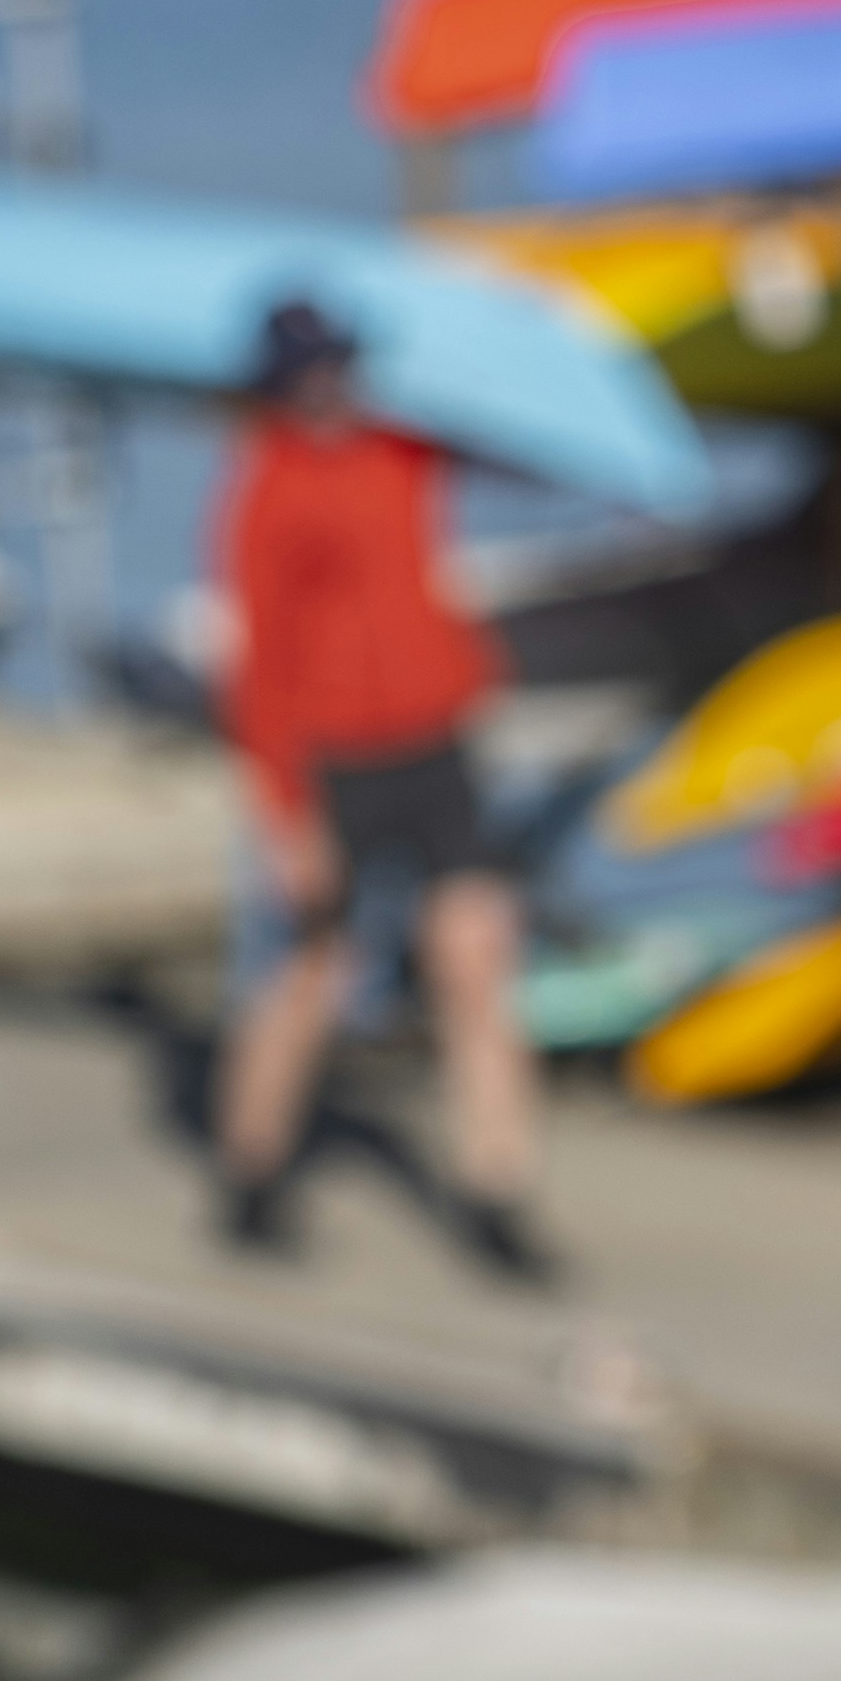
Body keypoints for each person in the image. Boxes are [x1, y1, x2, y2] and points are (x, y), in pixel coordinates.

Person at [208, 295, 552, 1285]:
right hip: (335, 762)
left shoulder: (401, 448)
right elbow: (259, 670)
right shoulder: (264, 490)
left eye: (339, 368)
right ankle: (252, 1169)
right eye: (308, 373)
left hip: (435, 742)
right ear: (277, 383)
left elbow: (506, 443)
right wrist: (284, 814)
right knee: (315, 974)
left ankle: (497, 1193)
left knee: (474, 960)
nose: (328, 388)